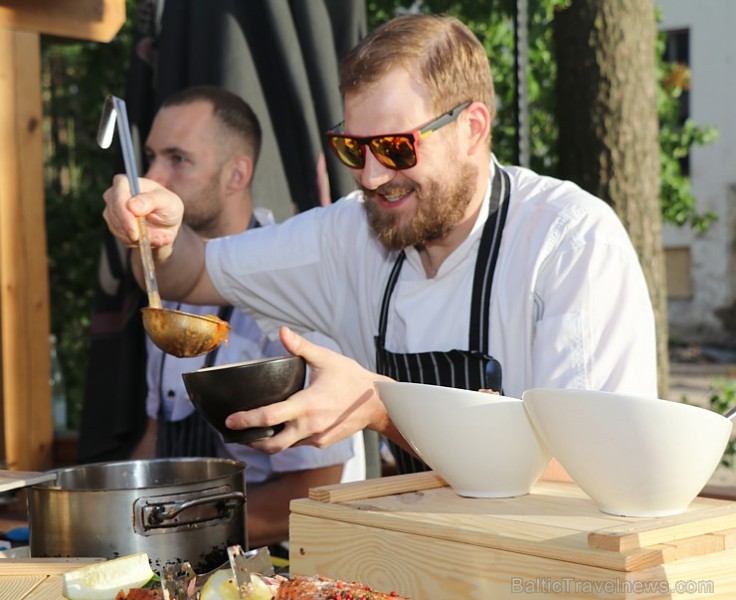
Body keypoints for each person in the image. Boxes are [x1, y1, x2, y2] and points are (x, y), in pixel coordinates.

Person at [102, 15, 658, 477]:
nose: (369, 177)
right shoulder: (349, 237)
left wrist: (383, 407)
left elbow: (590, 470)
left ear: (472, 128)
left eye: (394, 147)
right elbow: (188, 275)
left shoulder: (568, 241)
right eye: (352, 147)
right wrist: (157, 230)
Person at [126, 85, 361, 549]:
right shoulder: (170, 289)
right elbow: (158, 436)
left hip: (273, 565)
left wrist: (162, 532)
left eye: (178, 159)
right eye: (150, 156)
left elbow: (315, 490)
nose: (151, 177)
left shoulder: (291, 293)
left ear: (237, 174)